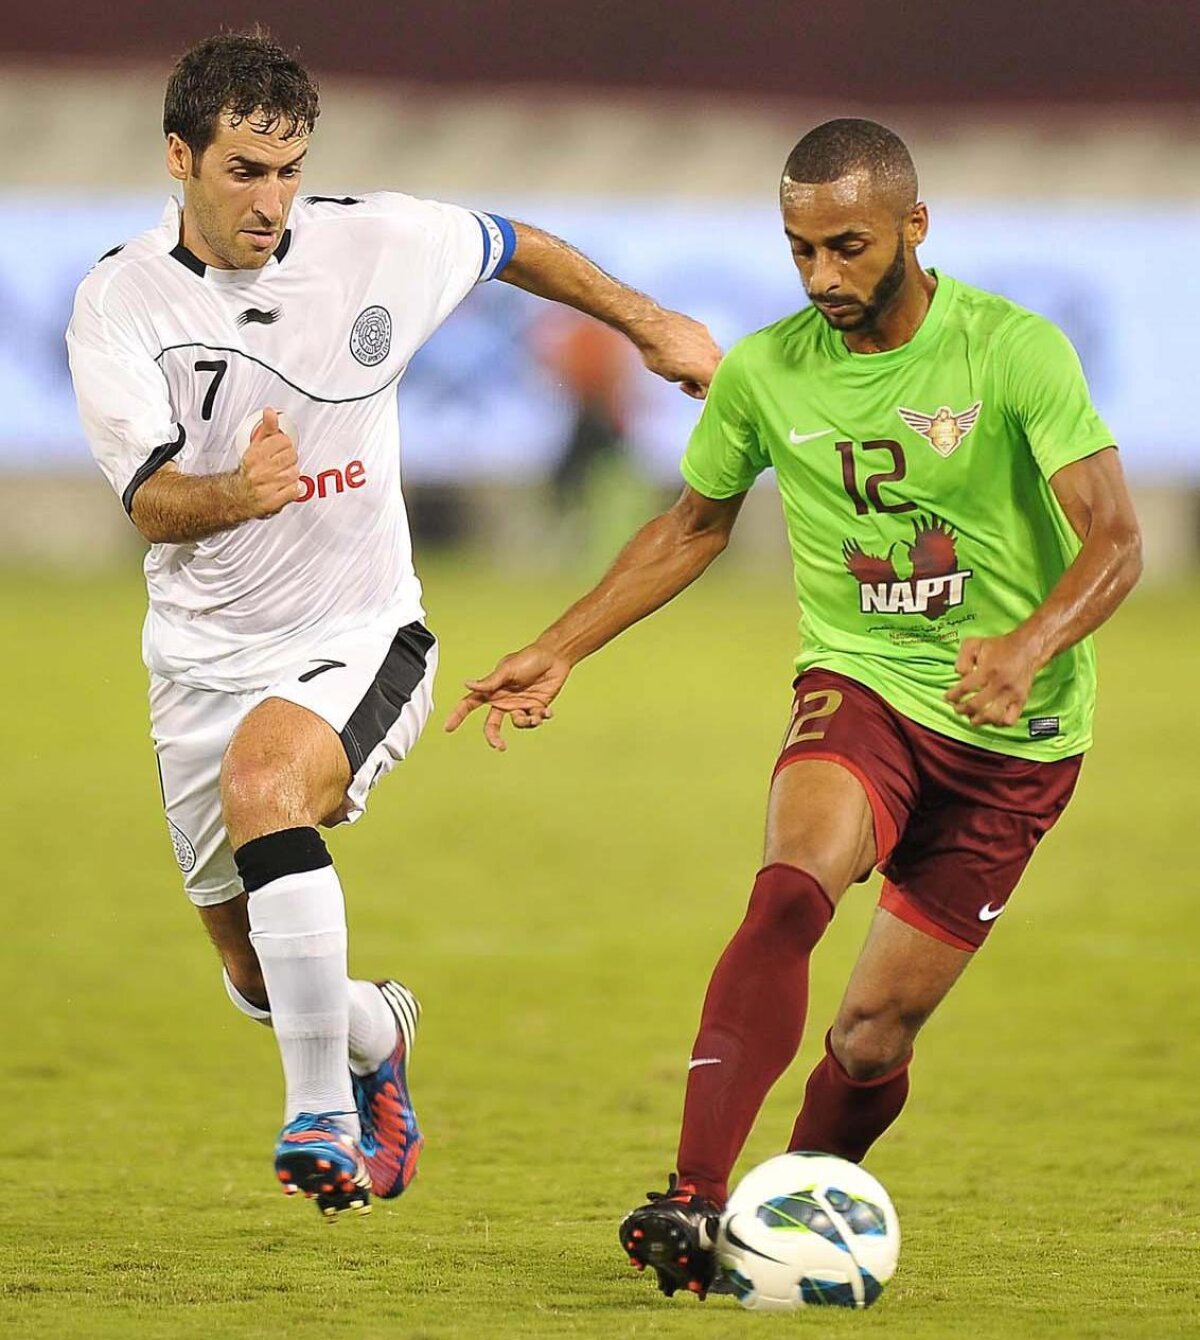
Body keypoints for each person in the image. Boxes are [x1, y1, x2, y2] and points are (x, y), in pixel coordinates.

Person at [446, 118, 1142, 1295]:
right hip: (862, 680)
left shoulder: (1014, 349)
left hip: (1018, 738)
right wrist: (557, 647)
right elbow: (692, 525)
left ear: (914, 228)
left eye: (848, 246)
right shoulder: (767, 371)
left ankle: (784, 1215)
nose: (822, 275)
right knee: (788, 888)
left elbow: (1116, 541)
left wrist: (1030, 646)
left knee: (872, 1038)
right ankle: (693, 1195)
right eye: (801, 249)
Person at [65, 30, 721, 1221]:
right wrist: (237, 493)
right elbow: (150, 504)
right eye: (244, 171)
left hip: (362, 629)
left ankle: (319, 1113)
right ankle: (375, 1030)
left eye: (289, 171)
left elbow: (514, 244)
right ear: (178, 157)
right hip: (199, 658)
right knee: (254, 972)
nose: (272, 201)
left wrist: (650, 322)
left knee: (267, 784)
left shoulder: (375, 241)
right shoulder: (121, 301)